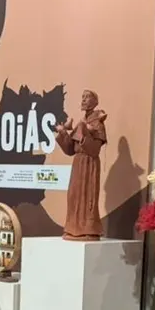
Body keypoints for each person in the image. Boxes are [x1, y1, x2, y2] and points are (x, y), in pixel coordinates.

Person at [55, 89, 107, 241]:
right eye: (82, 97)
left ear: (94, 102)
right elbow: (70, 149)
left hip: (89, 164)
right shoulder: (82, 122)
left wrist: (84, 133)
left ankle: (88, 229)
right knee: (74, 196)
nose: (83, 100)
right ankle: (73, 228)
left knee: (87, 196)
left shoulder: (98, 123)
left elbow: (95, 149)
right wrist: (63, 133)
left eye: (87, 97)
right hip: (78, 163)